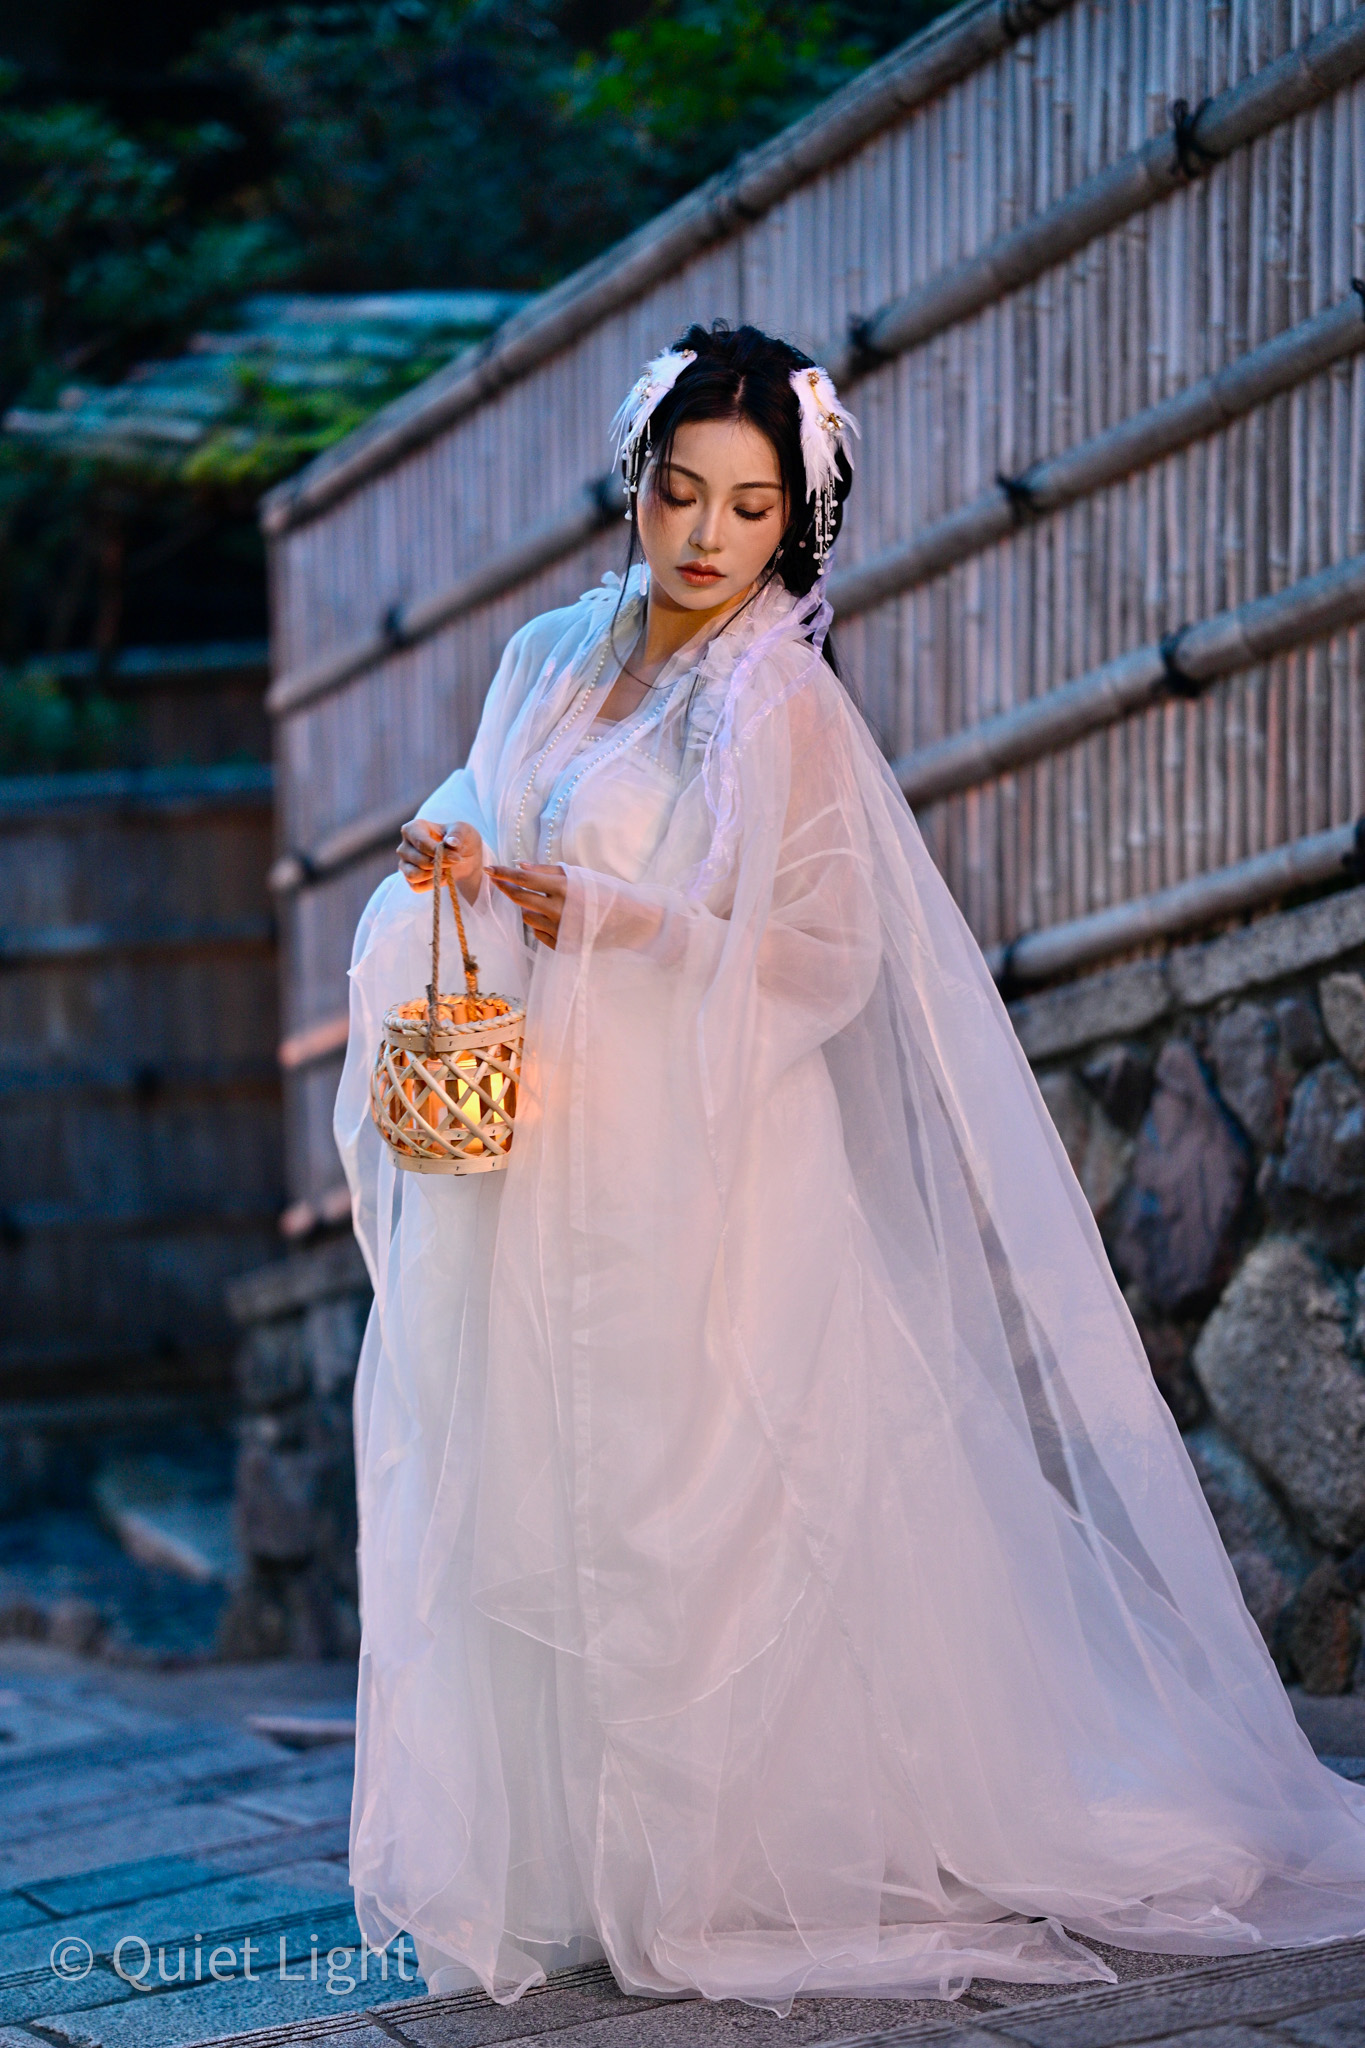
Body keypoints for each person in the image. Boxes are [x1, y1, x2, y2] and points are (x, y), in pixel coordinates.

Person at [334, 322, 1365, 2014]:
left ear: (790, 527)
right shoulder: (544, 653)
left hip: (708, 1175)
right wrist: (447, 860)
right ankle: (580, 1865)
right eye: (679, 493)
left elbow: (820, 962)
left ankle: (727, 1859)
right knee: (532, 1480)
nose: (703, 538)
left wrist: (609, 919)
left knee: (696, 1511)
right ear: (634, 484)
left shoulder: (778, 701)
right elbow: (488, 817)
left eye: (747, 508)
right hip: (541, 1159)